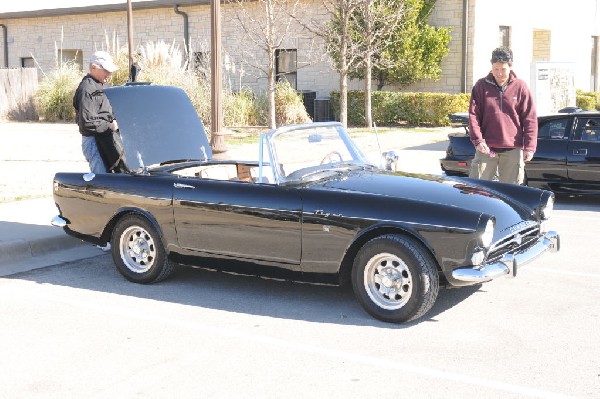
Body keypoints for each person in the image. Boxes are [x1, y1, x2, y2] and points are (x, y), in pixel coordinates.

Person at [468, 46, 538, 184]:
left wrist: (529, 147)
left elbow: (530, 119)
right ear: (491, 67)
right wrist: (478, 140)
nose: (499, 73)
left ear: (510, 67)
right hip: (487, 149)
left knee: (511, 192)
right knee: (477, 188)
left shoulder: (521, 87)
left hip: (513, 150)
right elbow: (473, 116)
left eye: (503, 69)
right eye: (496, 69)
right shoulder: (480, 86)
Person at [73, 50, 120, 174]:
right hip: (93, 142)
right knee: (102, 180)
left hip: (104, 139)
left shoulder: (100, 85)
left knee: (110, 180)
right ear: (94, 68)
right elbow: (87, 122)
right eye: (106, 70)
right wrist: (110, 125)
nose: (109, 74)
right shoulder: (87, 88)